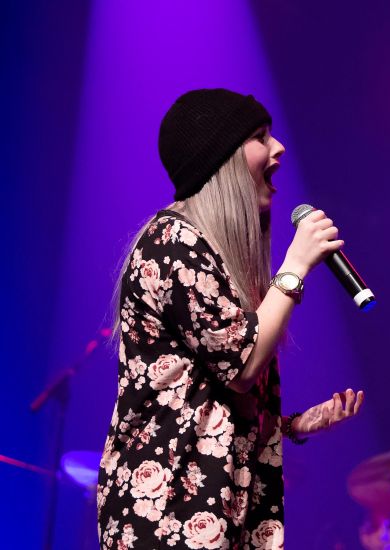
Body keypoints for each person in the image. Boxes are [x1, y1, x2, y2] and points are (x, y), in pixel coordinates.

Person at [97, 88, 365, 549]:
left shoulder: (207, 251)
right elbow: (240, 368)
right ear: (220, 159)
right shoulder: (173, 243)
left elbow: (206, 395)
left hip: (217, 506)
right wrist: (294, 268)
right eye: (261, 136)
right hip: (168, 512)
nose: (278, 148)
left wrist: (289, 426)